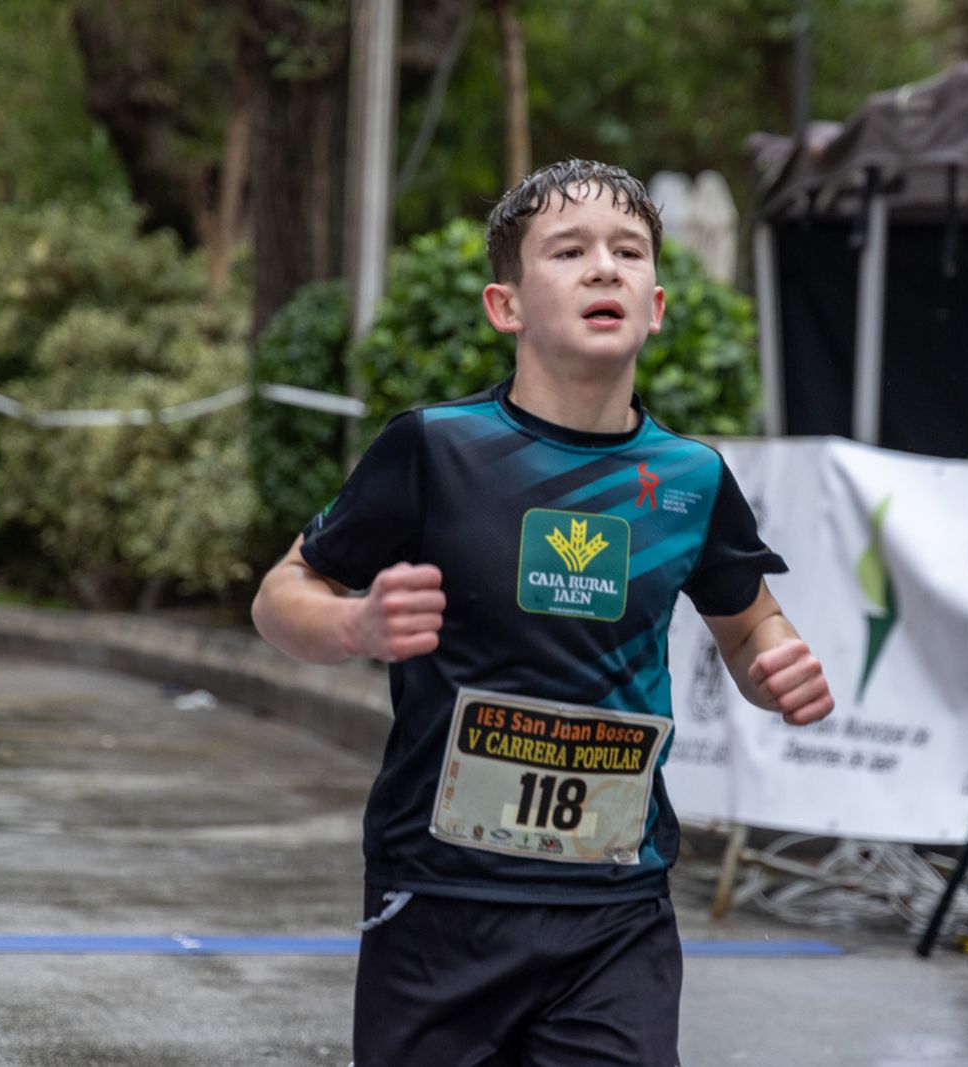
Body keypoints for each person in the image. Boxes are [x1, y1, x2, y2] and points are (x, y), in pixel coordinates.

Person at [252, 159, 834, 1067]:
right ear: (506, 305)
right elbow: (280, 594)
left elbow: (751, 622)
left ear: (657, 304)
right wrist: (354, 627)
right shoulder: (436, 449)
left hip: (615, 908)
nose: (605, 268)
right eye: (569, 251)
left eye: (628, 251)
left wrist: (775, 663)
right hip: (440, 898)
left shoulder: (690, 480)